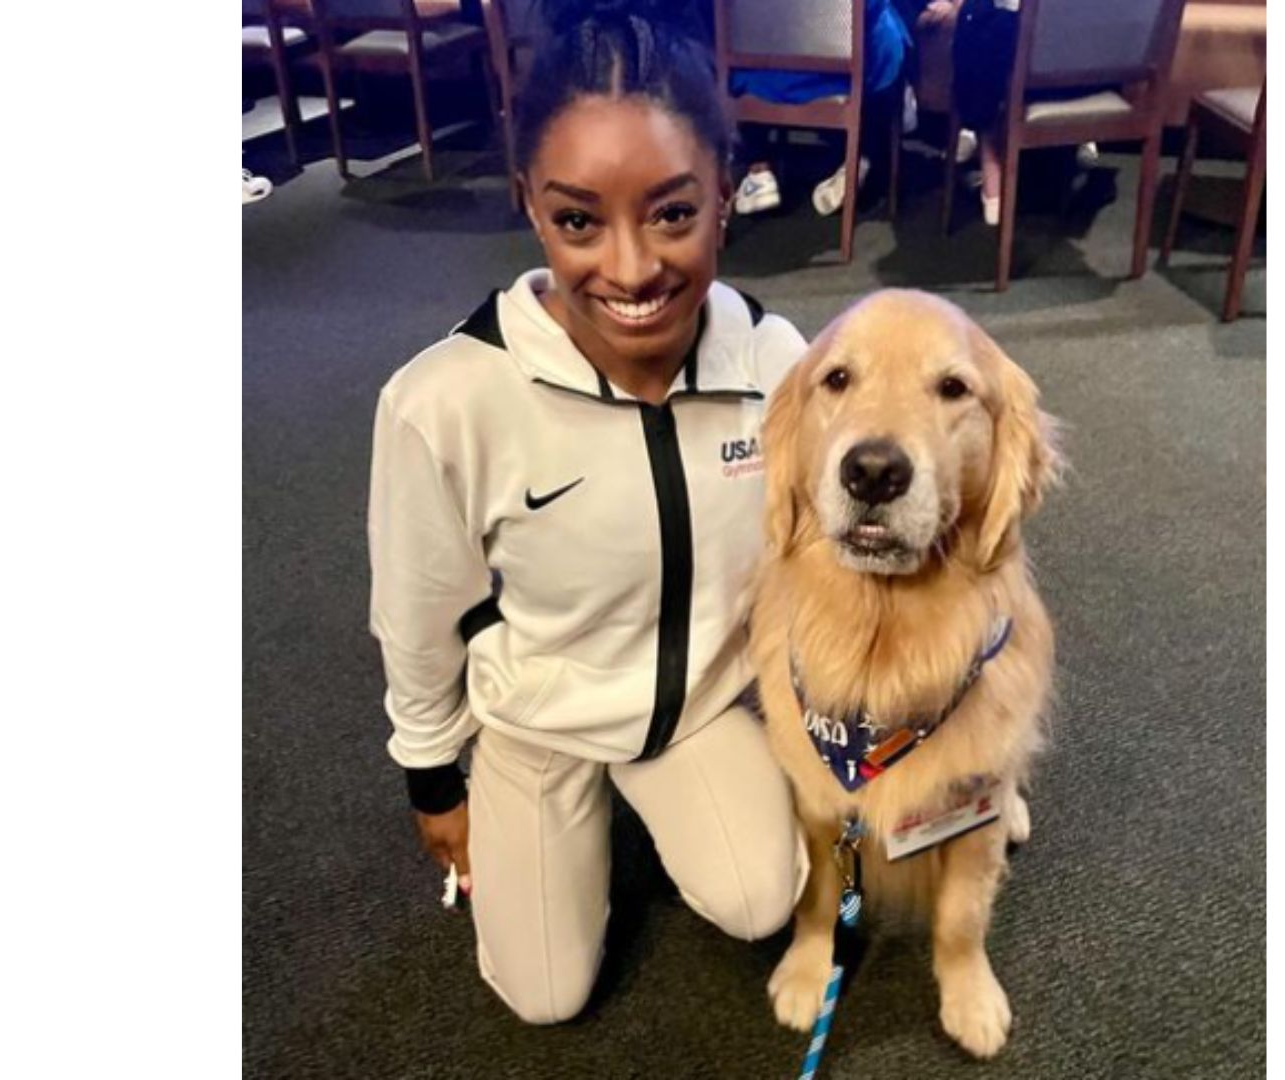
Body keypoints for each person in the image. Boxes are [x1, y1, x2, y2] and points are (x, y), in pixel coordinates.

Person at [367, 0, 811, 1026]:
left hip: (696, 704)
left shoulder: (774, 365)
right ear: (530, 205)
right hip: (541, 720)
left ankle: (658, 804)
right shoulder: (444, 403)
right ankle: (548, 811)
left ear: (725, 196)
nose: (631, 270)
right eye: (579, 220)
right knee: (546, 999)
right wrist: (432, 780)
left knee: (763, 900)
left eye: (672, 212)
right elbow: (419, 611)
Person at [728, 0, 914, 216]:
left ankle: (758, 167)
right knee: (886, 49)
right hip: (837, 82)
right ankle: (861, 157)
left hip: (761, 80)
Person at [920, 0, 1098, 225]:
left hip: (1060, 56)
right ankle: (988, 142)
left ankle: (988, 146)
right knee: (985, 21)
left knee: (980, 19)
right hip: (1099, 64)